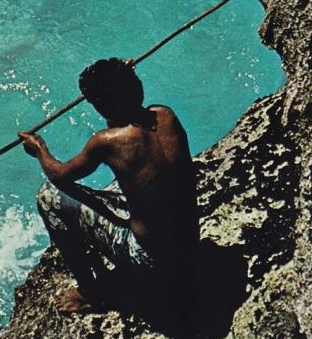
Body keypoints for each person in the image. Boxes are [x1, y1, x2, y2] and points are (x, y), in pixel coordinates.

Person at [19, 58, 199, 313]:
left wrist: (39, 150)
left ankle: (90, 292)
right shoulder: (165, 115)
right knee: (133, 178)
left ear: (100, 106)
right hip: (189, 248)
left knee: (48, 196)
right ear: (136, 87)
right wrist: (123, 79)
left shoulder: (107, 142)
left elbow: (59, 175)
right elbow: (127, 120)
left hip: (152, 263)